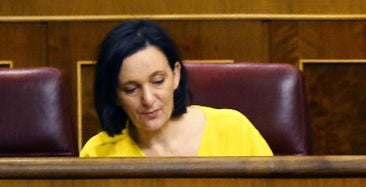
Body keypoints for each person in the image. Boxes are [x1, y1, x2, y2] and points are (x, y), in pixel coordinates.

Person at [81, 20, 272, 157]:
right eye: (131, 89)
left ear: (176, 75)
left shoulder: (234, 130)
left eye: (157, 81)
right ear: (114, 95)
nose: (148, 99)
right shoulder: (99, 153)